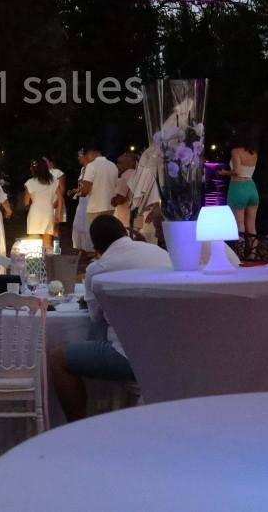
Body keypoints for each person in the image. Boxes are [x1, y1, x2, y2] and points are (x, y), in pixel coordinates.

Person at [49, 215, 172, 422]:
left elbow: (95, 316)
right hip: (169, 349)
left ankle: (78, 428)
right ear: (125, 233)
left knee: (57, 357)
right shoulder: (160, 253)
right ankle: (106, 408)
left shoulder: (98, 269)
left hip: (130, 356)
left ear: (97, 247)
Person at [223, 135, 261, 251]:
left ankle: (240, 254)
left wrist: (224, 173)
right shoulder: (254, 153)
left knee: (240, 224)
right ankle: (253, 254)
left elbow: (237, 171)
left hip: (238, 187)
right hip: (251, 187)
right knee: (251, 225)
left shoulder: (236, 151)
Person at [130, 144, 163, 242]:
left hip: (153, 212)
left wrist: (154, 210)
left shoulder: (156, 173)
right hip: (147, 212)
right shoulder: (147, 172)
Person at [24, 158, 59, 248]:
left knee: (34, 243)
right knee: (47, 243)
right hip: (48, 211)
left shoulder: (30, 183)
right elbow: (59, 198)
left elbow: (26, 202)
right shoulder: (54, 181)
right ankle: (49, 260)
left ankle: (35, 261)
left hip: (35, 212)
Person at [112, 152, 136, 228]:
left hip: (124, 220)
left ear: (129, 164)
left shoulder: (125, 176)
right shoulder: (136, 174)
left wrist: (112, 200)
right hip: (135, 219)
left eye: (120, 163)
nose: (117, 166)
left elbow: (119, 199)